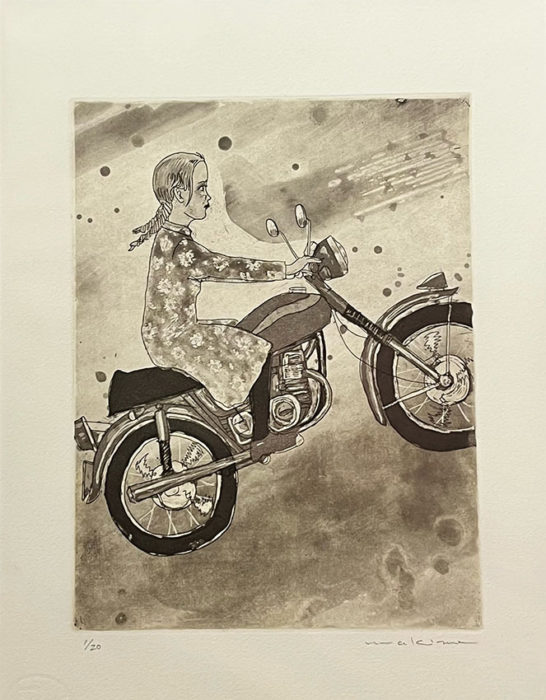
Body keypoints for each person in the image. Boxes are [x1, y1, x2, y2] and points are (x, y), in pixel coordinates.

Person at [130, 151, 316, 455]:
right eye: (201, 188)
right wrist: (287, 269)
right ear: (180, 194)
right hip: (175, 339)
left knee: (238, 332)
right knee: (257, 348)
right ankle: (262, 438)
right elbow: (229, 267)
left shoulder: (170, 237)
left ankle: (244, 415)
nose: (208, 196)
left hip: (166, 336)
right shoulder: (180, 247)